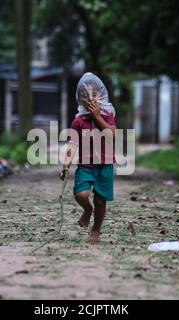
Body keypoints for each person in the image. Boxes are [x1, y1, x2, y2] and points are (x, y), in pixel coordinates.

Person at [59, 73, 116, 244]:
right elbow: (72, 145)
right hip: (85, 165)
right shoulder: (78, 121)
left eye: (94, 94)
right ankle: (86, 209)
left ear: (102, 96)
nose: (90, 98)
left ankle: (96, 230)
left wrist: (98, 117)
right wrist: (66, 165)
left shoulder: (107, 115)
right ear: (79, 98)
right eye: (85, 95)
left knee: (100, 200)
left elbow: (111, 134)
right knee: (81, 194)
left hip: (104, 164)